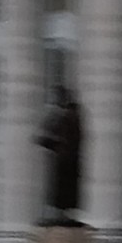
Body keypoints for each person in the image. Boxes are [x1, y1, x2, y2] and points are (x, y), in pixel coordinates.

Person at [35, 85, 84, 224]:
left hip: (66, 161)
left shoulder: (69, 115)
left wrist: (50, 141)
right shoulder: (66, 115)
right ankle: (61, 214)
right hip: (64, 160)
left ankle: (63, 215)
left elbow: (65, 137)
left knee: (63, 192)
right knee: (61, 191)